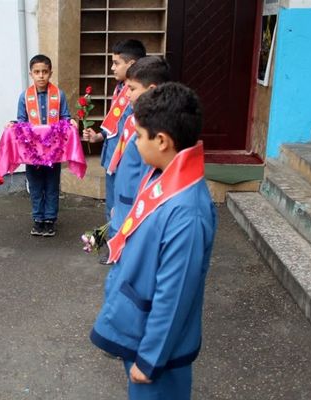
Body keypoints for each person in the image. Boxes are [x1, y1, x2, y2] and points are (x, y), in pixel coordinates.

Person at [90, 82, 217, 400]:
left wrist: (149, 360)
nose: (133, 140)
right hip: (140, 327)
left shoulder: (188, 212)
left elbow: (174, 297)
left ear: (161, 141)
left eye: (138, 134)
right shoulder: (163, 174)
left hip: (158, 348)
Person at [82, 40, 146, 243]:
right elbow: (115, 123)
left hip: (129, 162)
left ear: (132, 63)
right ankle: (113, 243)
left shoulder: (141, 95)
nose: (112, 68)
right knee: (112, 204)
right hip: (112, 158)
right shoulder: (120, 88)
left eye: (116, 63)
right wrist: (98, 136)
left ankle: (125, 247)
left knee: (128, 204)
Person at [109, 56, 171, 243]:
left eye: (132, 89)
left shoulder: (153, 133)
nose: (126, 94)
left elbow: (148, 179)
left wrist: (129, 209)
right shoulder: (134, 121)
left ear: (151, 90)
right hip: (123, 206)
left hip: (135, 213)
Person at [16, 54, 75, 237]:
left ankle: (50, 220)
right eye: (37, 72)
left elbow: (64, 117)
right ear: (31, 74)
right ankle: (38, 219)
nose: (41, 76)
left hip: (52, 152)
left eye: (44, 72)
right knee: (35, 186)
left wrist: (70, 122)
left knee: (51, 185)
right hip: (32, 153)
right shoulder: (24, 97)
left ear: (50, 73)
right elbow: (21, 121)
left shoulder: (59, 95)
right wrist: (13, 125)